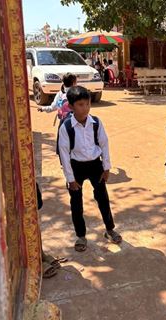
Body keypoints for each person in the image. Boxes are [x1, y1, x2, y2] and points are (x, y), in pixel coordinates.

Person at [58, 86, 122, 252]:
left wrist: (106, 167)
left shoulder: (96, 123)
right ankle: (80, 235)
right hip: (76, 167)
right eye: (80, 104)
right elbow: (64, 155)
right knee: (76, 203)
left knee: (102, 197)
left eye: (87, 104)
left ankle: (109, 229)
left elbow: (104, 144)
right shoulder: (66, 127)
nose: (85, 108)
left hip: (95, 165)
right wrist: (70, 179)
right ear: (71, 106)